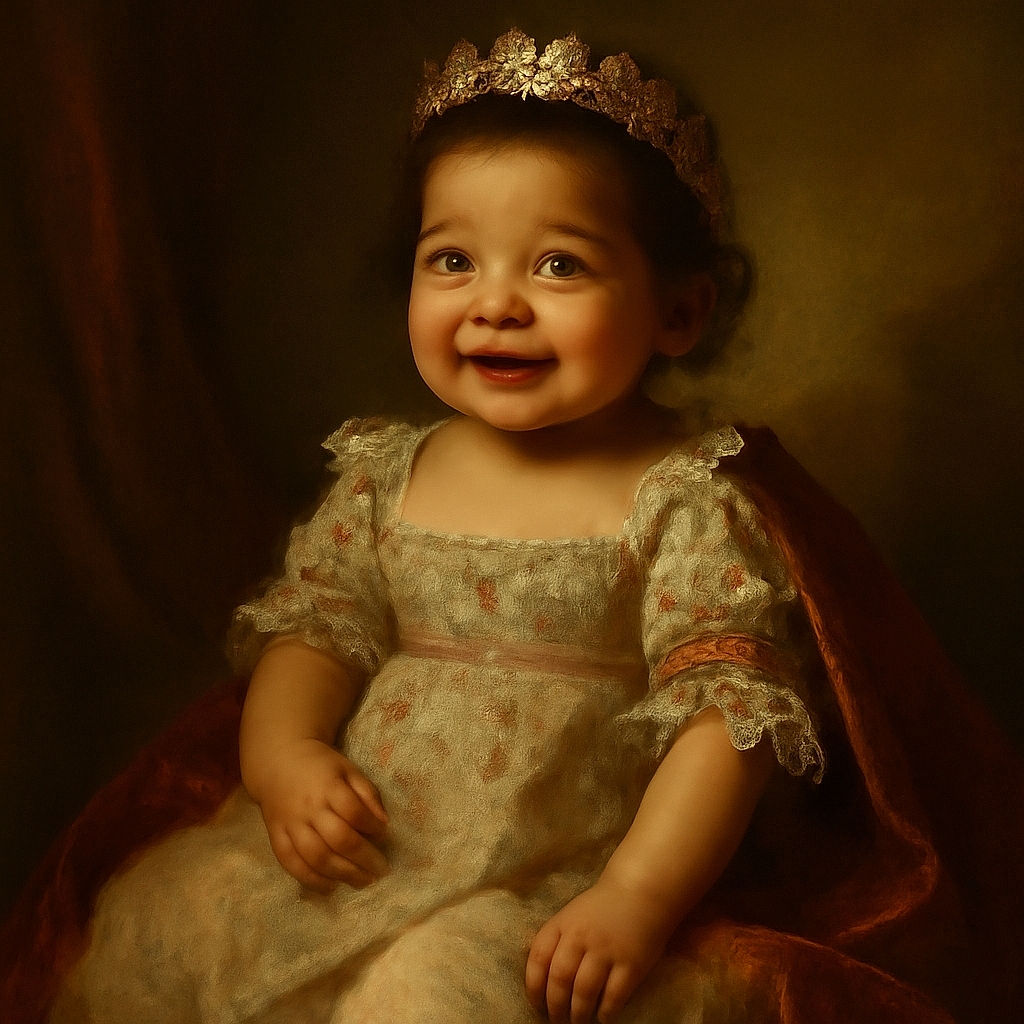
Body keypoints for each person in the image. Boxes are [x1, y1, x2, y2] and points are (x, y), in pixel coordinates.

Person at [7, 28, 1021, 1024]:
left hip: (545, 887)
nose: (495, 305)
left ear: (678, 311)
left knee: (428, 999)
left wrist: (634, 897)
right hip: (365, 850)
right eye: (452, 259)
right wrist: (284, 759)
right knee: (161, 931)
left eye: (558, 267)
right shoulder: (386, 474)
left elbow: (728, 723)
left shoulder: (681, 499)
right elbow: (316, 631)